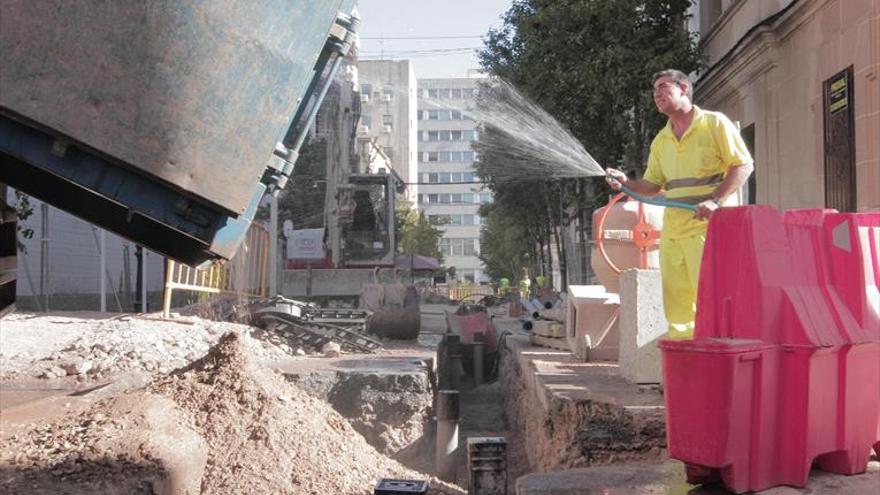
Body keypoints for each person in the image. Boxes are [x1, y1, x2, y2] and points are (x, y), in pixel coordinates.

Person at [606, 69, 753, 340]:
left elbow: (743, 165)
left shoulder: (714, 124)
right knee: (677, 302)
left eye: (663, 87)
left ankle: (716, 357)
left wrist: (716, 200)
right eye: (654, 91)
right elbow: (651, 187)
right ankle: (686, 363)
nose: (657, 94)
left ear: (684, 88)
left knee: (712, 295)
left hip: (708, 228)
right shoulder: (661, 140)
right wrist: (625, 182)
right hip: (674, 230)